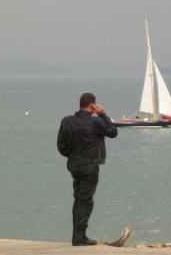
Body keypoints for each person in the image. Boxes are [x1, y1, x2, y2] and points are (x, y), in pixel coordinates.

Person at [57, 92, 118, 246]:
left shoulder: (67, 121)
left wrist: (73, 156)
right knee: (85, 201)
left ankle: (77, 235)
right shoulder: (96, 122)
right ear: (92, 105)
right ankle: (79, 238)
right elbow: (113, 132)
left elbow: (61, 145)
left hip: (74, 165)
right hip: (90, 166)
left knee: (79, 198)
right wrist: (103, 114)